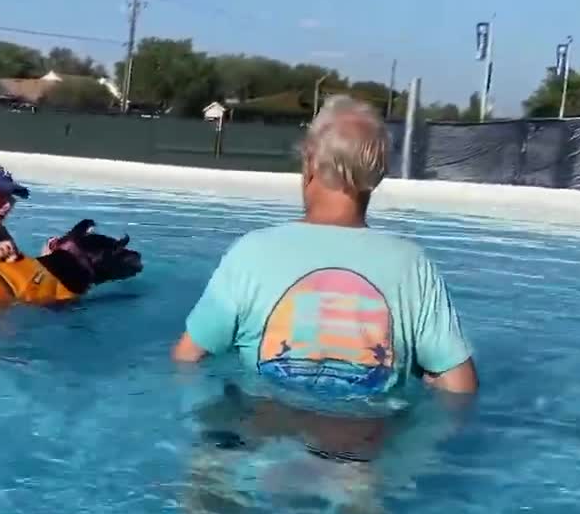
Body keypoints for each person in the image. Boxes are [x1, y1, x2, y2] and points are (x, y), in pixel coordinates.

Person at [171, 94, 478, 398]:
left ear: (310, 163)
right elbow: (460, 387)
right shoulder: (413, 266)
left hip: (265, 435)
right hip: (370, 441)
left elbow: (187, 358)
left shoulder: (250, 253)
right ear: (378, 176)